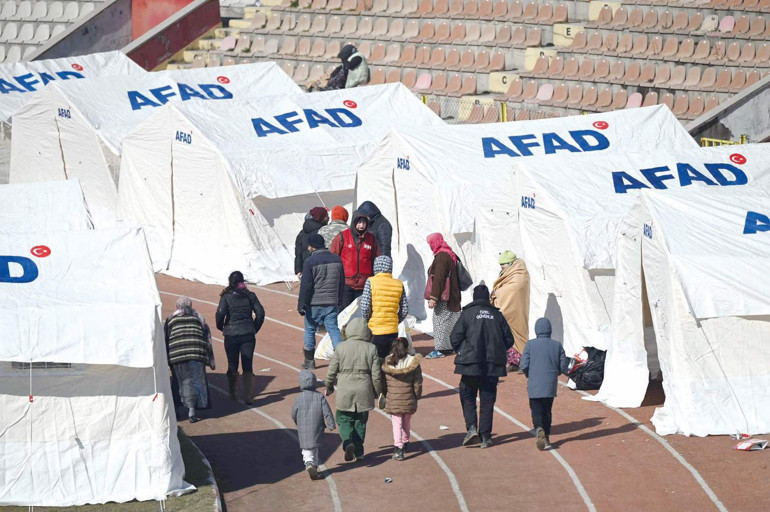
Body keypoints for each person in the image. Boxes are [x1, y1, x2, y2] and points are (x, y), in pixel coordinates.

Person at [450, 284, 514, 448]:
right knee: (487, 399)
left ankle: (471, 428)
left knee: (468, 395)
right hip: (492, 365)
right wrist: (497, 350)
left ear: (474, 297)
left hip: (470, 364)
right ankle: (485, 435)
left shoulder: (468, 314)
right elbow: (509, 339)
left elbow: (455, 337)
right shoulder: (497, 315)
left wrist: (463, 351)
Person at [325, 317, 381, 462]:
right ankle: (359, 452)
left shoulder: (341, 347)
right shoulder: (371, 348)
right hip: (364, 388)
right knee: (360, 422)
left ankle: (347, 442)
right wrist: (378, 392)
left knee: (343, 419)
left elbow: (331, 370)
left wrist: (329, 385)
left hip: (345, 388)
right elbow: (376, 375)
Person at [520, 317, 571, 451]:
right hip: (550, 384)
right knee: (547, 410)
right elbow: (563, 365)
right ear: (550, 330)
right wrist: (557, 372)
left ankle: (539, 428)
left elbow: (524, 364)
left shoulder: (530, 345)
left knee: (536, 410)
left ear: (536, 330)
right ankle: (547, 435)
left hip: (534, 384)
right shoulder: (557, 345)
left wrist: (527, 373)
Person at [216, 271, 266, 405]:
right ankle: (248, 396)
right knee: (247, 364)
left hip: (231, 334)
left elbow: (220, 313)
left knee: (232, 364)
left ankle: (233, 393)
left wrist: (221, 326)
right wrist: (254, 328)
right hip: (248, 333)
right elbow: (260, 313)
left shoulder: (226, 297)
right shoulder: (250, 296)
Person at [164, 296, 215, 423]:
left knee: (179, 382)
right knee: (196, 381)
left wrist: (166, 359)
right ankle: (192, 411)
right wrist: (211, 360)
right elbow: (207, 337)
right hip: (196, 352)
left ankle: (176, 408)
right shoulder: (198, 317)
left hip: (177, 353)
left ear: (177, 306)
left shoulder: (170, 318)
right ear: (190, 305)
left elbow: (165, 338)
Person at [298, 233, 345, 369]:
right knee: (333, 329)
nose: (307, 248)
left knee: (310, 329)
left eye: (309, 245)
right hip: (331, 301)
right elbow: (341, 282)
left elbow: (305, 285)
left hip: (314, 302)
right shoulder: (337, 259)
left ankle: (309, 361)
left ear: (313, 246)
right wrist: (339, 300)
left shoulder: (310, 262)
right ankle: (342, 359)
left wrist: (301, 304)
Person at [360, 255, 408, 360]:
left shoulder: (371, 281)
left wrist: (367, 319)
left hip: (375, 329)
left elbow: (365, 307)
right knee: (390, 360)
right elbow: (404, 309)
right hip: (392, 329)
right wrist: (395, 320)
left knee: (374, 361)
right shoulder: (399, 284)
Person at [382, 337, 422, 461]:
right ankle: (405, 441)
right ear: (407, 347)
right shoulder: (413, 362)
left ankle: (398, 447)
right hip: (409, 396)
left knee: (396, 422)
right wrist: (417, 395)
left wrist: (384, 394)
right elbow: (418, 382)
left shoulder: (388, 361)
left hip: (393, 398)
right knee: (406, 421)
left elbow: (383, 382)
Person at [292, 369, 336, 480]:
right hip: (317, 426)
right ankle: (314, 466)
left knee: (306, 449)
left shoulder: (298, 398)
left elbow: (293, 413)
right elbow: (327, 412)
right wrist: (331, 424)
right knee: (315, 448)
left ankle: (309, 463)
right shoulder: (319, 396)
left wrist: (297, 422)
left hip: (303, 427)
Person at [329, 210, 379, 310]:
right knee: (344, 312)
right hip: (346, 283)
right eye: (359, 222)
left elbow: (376, 258)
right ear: (354, 223)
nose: (362, 225)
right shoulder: (342, 236)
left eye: (364, 223)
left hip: (364, 284)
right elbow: (333, 257)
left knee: (361, 312)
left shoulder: (371, 238)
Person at [490, 250, 531, 371]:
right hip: (507, 308)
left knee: (520, 335)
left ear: (511, 263)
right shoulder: (508, 273)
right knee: (507, 336)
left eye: (503, 264)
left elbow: (515, 288)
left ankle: (524, 364)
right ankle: (513, 362)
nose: (501, 266)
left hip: (516, 309)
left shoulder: (519, 274)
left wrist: (498, 293)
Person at [425, 233, 461, 359]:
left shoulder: (441, 257)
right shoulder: (450, 254)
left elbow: (439, 278)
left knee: (439, 321)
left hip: (443, 297)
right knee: (450, 322)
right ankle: (449, 347)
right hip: (454, 295)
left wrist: (433, 298)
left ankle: (440, 349)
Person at [295, 207, 329, 278]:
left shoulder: (301, 233)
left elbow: (298, 253)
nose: (328, 218)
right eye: (326, 216)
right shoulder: (322, 231)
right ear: (321, 218)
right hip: (320, 268)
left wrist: (298, 270)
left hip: (306, 267)